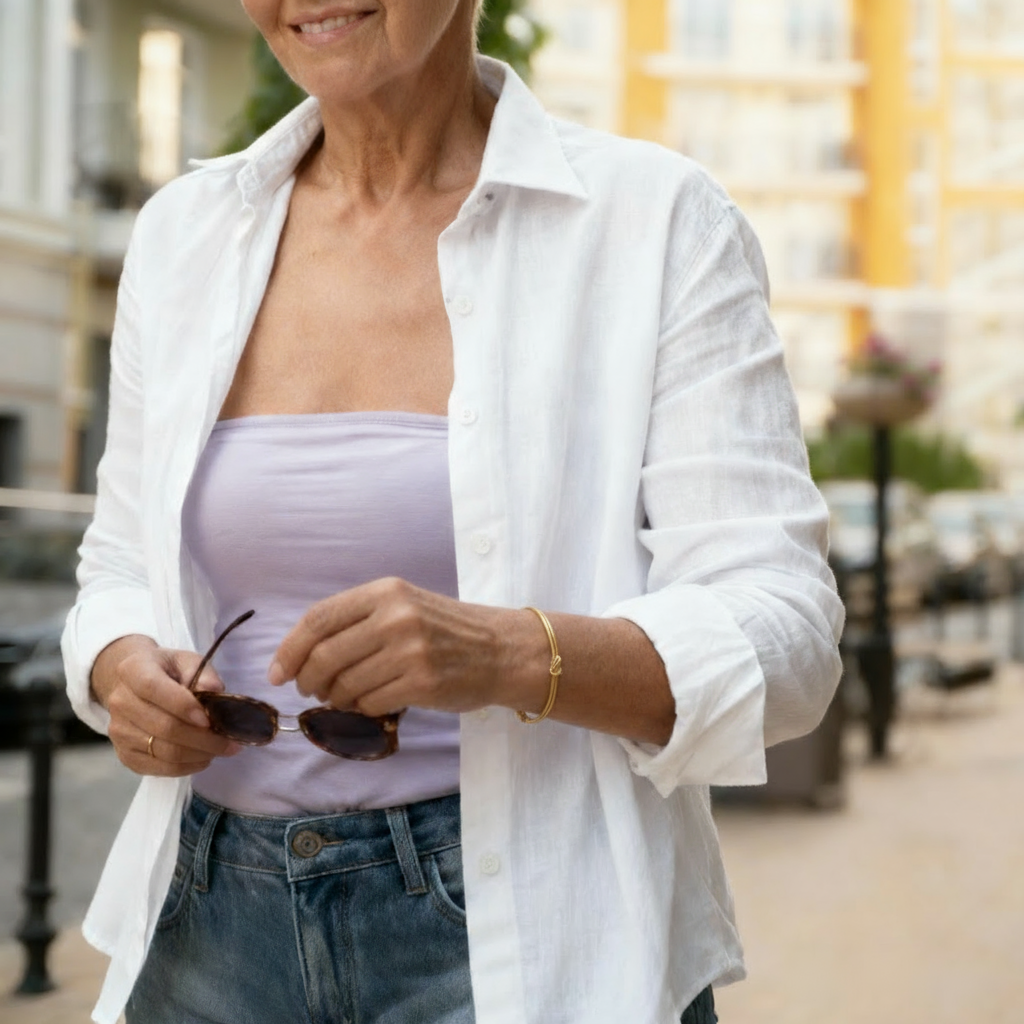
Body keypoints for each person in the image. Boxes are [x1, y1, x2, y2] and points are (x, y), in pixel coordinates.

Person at [61, 1, 844, 1022]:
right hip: (208, 924)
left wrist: (507, 653)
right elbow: (118, 558)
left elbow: (788, 633)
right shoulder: (184, 234)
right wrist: (122, 669)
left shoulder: (652, 221)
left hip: (533, 939)